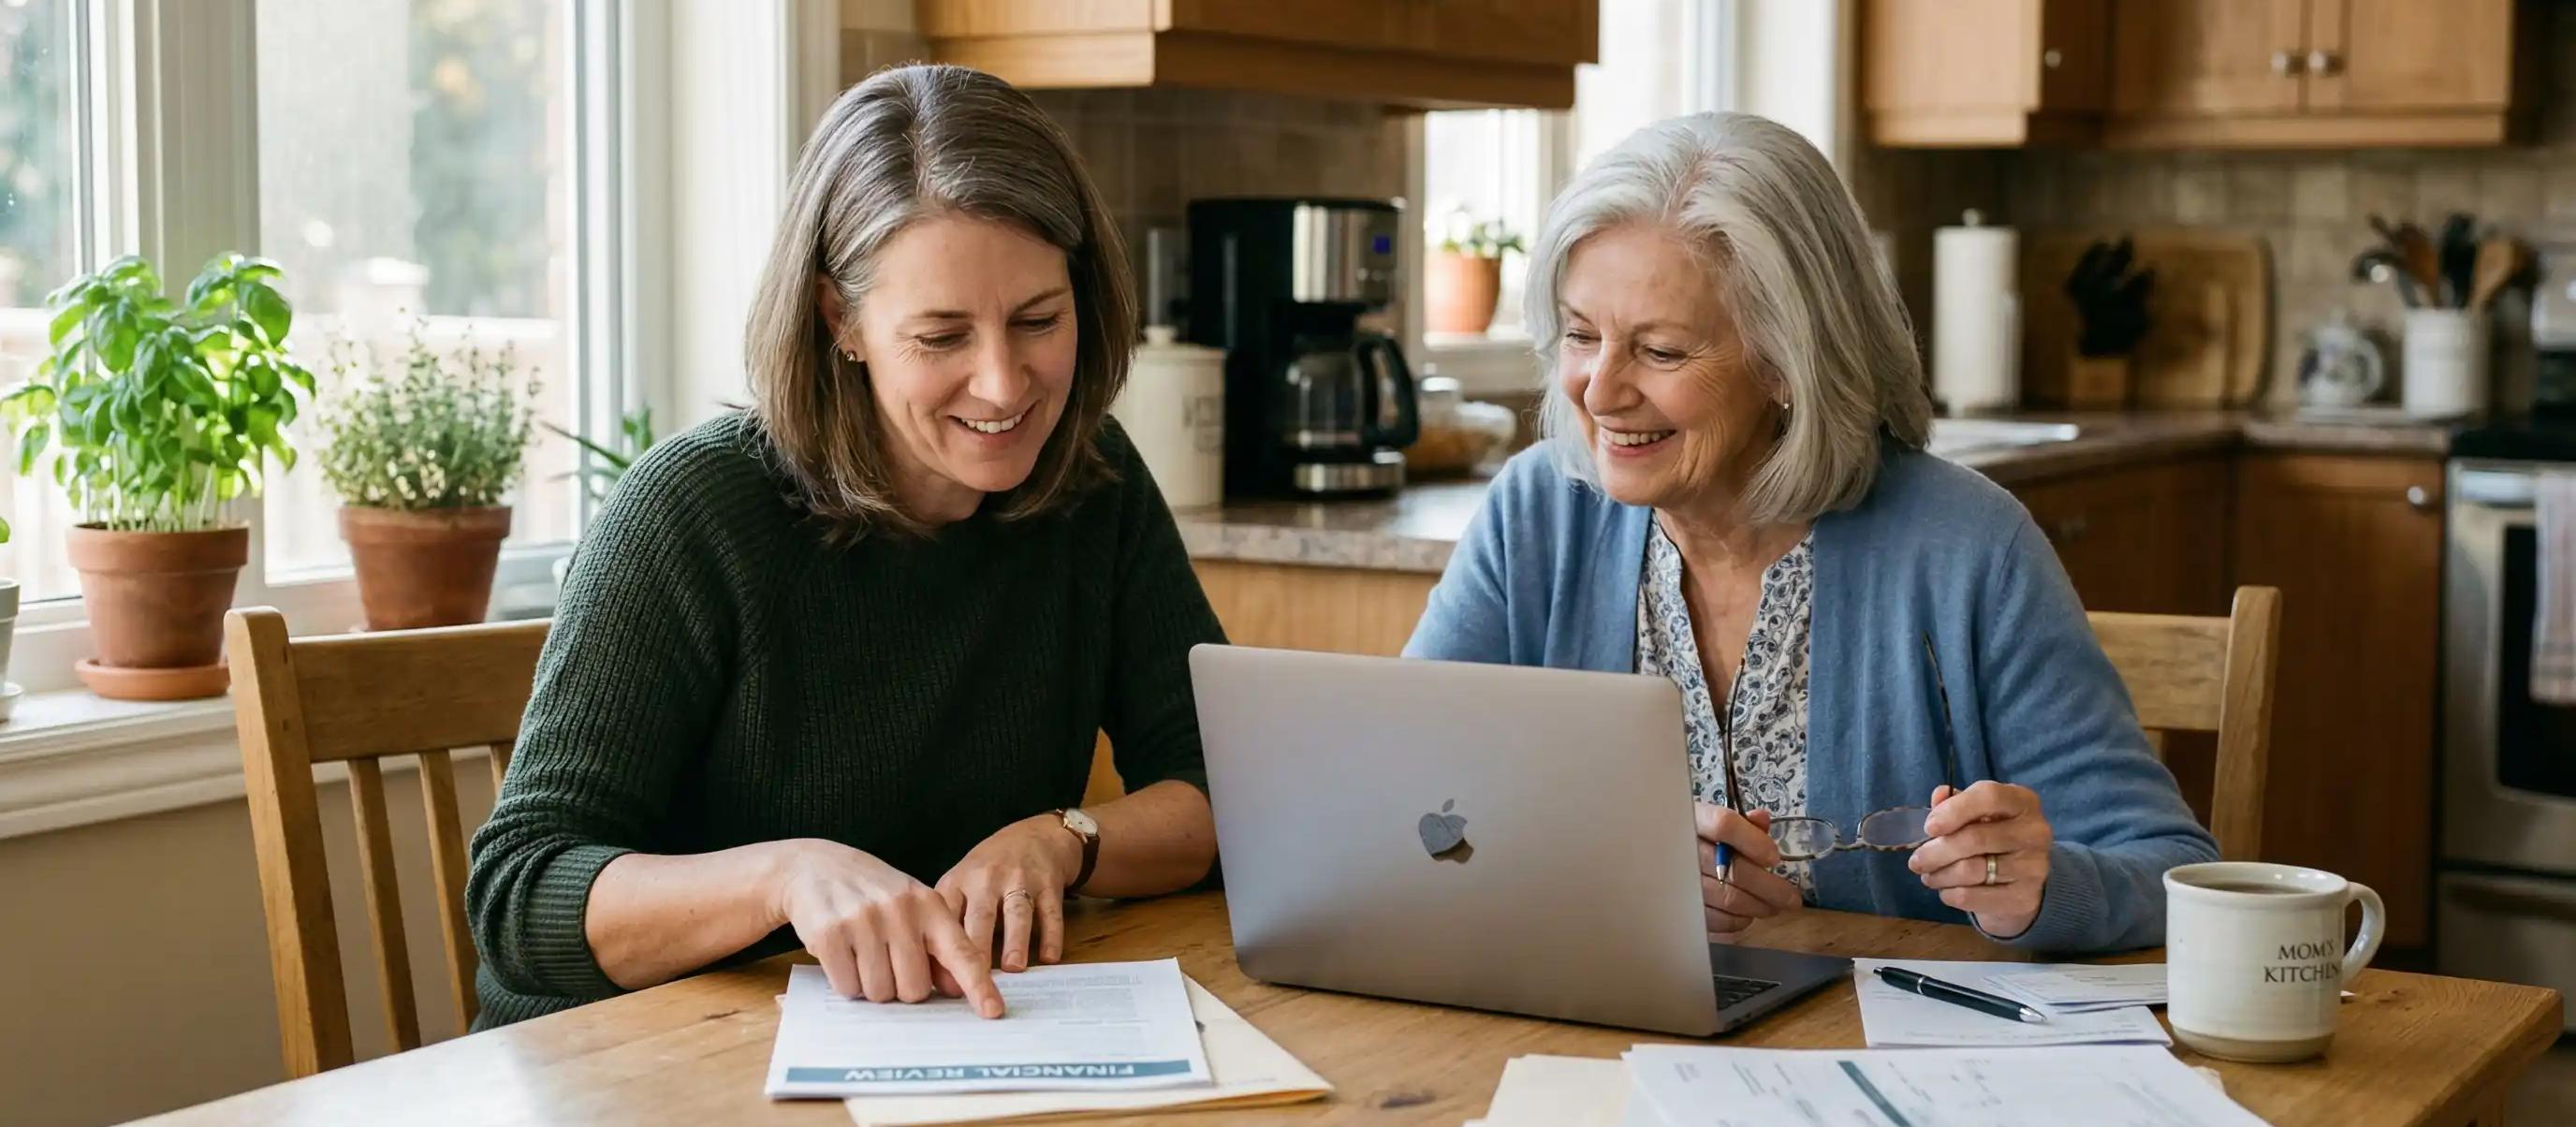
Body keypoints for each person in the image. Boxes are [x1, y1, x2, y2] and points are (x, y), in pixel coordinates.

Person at [466, 64, 1222, 1027]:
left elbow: (1223, 791)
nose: (1003, 383)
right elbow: (519, 897)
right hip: (638, 1068)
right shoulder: (694, 510)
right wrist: (784, 878)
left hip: (943, 1040)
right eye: (941, 336)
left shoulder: (1091, 482)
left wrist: (1066, 836)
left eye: (1039, 320)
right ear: (841, 321)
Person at [1404, 111, 2215, 954]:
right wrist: (1600, 867)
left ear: (1789, 365)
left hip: (1886, 1056)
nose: (1600, 391)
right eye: (1580, 336)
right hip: (1597, 1033)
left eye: (1663, 352)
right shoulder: (1537, 515)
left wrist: (2041, 890)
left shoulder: (1970, 548)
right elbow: (1409, 804)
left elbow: (2168, 868)